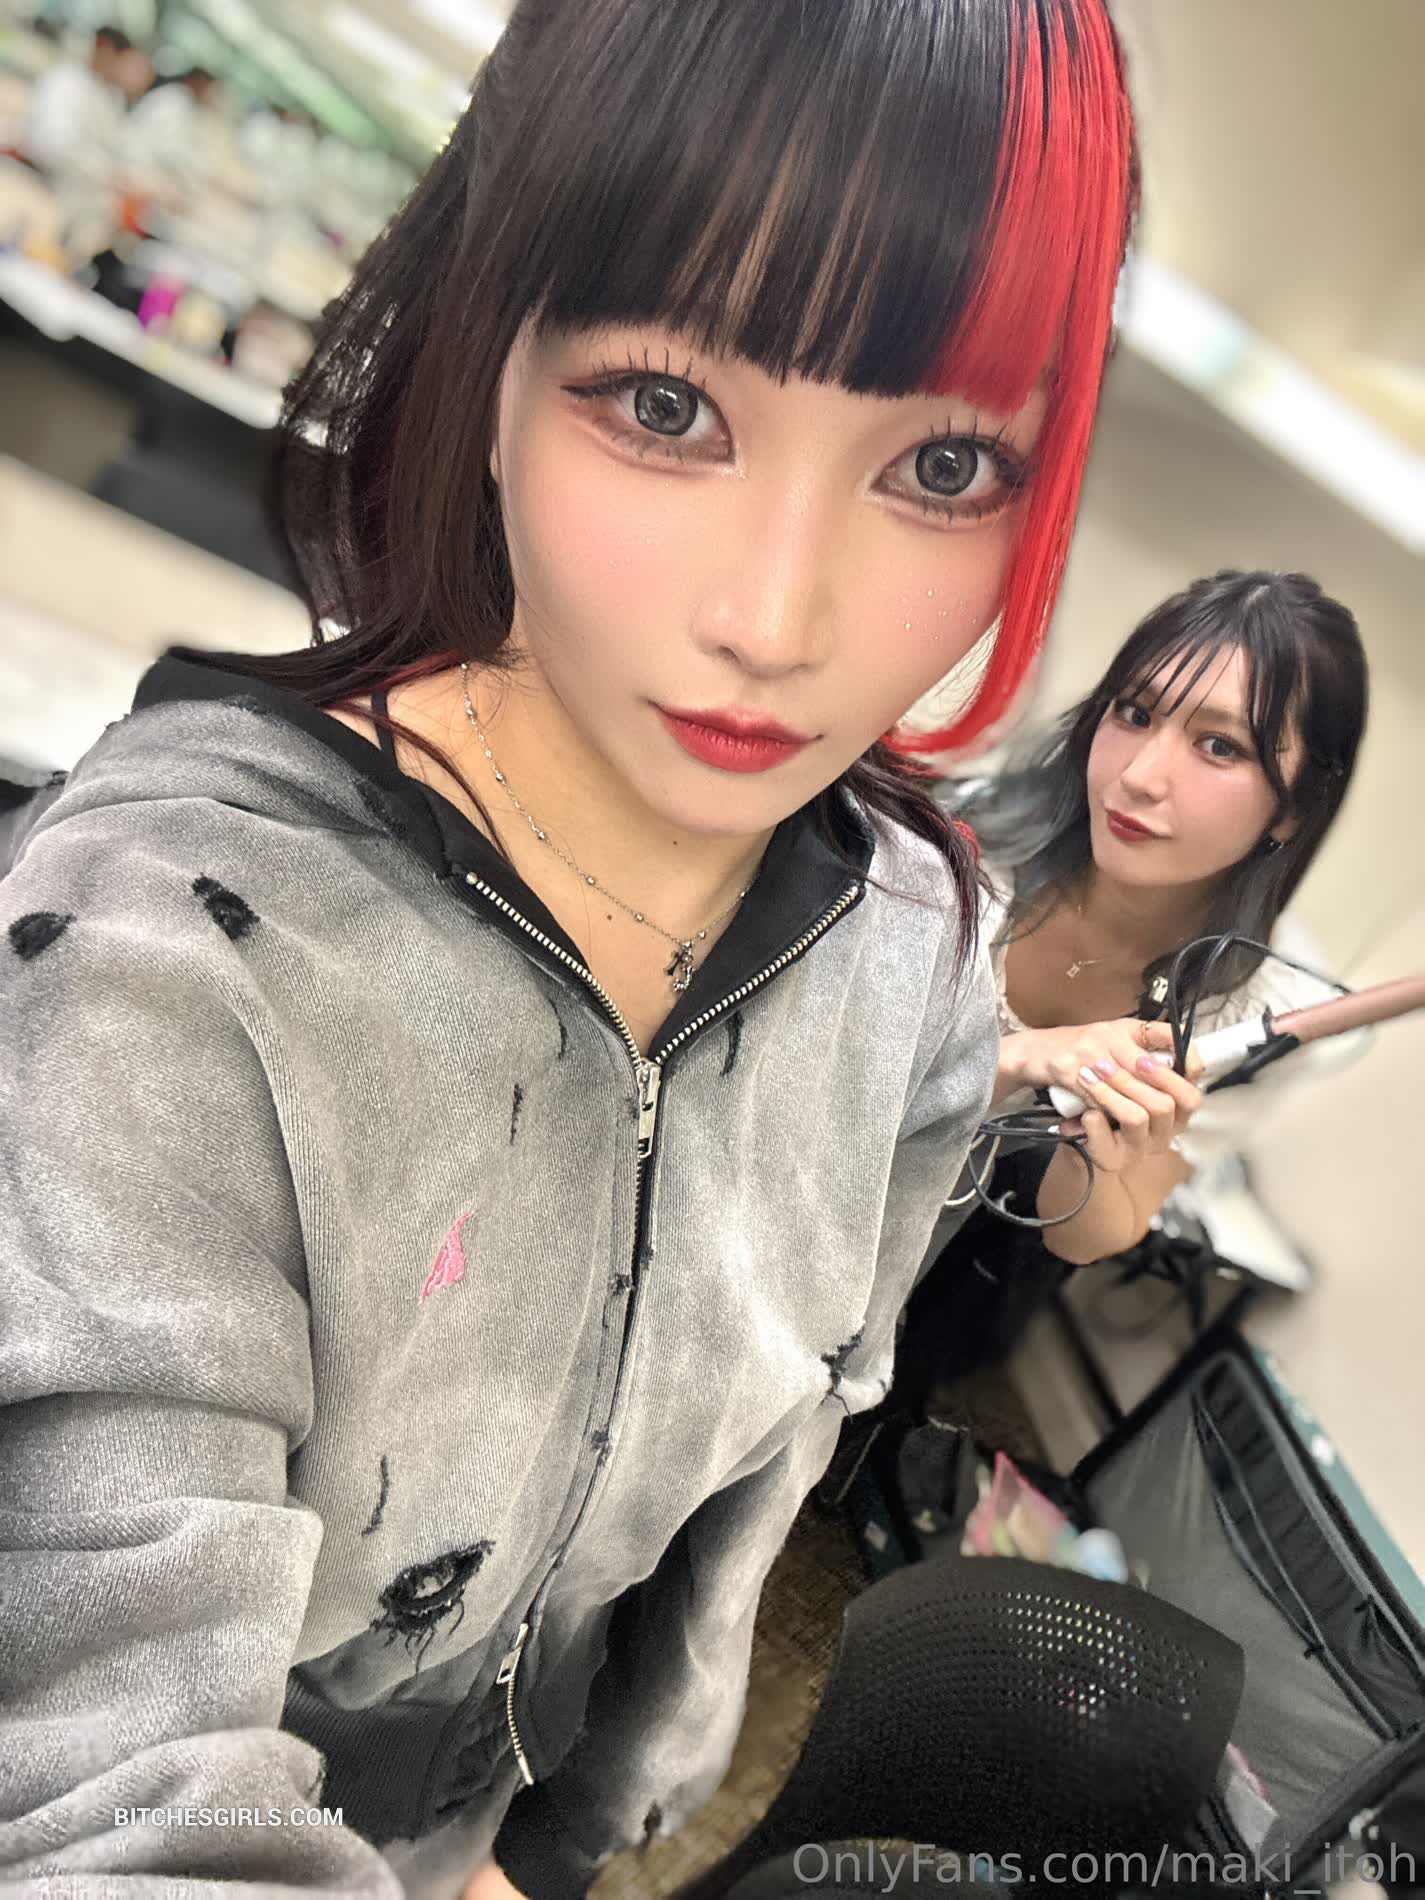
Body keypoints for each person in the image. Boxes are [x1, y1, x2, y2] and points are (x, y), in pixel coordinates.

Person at [0, 3, 1162, 1897]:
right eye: (666, 407)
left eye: (945, 468)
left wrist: (566, 1847)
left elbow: (765, 1481)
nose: (777, 619)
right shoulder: (168, 938)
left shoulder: (916, 959)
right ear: (493, 350)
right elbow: (91, 1764)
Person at [902, 569, 1368, 1401]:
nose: (1140, 776)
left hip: (947, 1293)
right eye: (1135, 713)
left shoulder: (1260, 1014)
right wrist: (1012, 1061)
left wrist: (1106, 1158)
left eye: (1219, 747)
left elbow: (1084, 1237)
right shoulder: (955, 855)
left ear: (1293, 809)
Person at [21, 22, 130, 182]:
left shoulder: (112, 96)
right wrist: (101, 169)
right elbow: (54, 142)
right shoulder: (66, 80)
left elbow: (114, 145)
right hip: (43, 174)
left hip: (82, 183)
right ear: (103, 49)